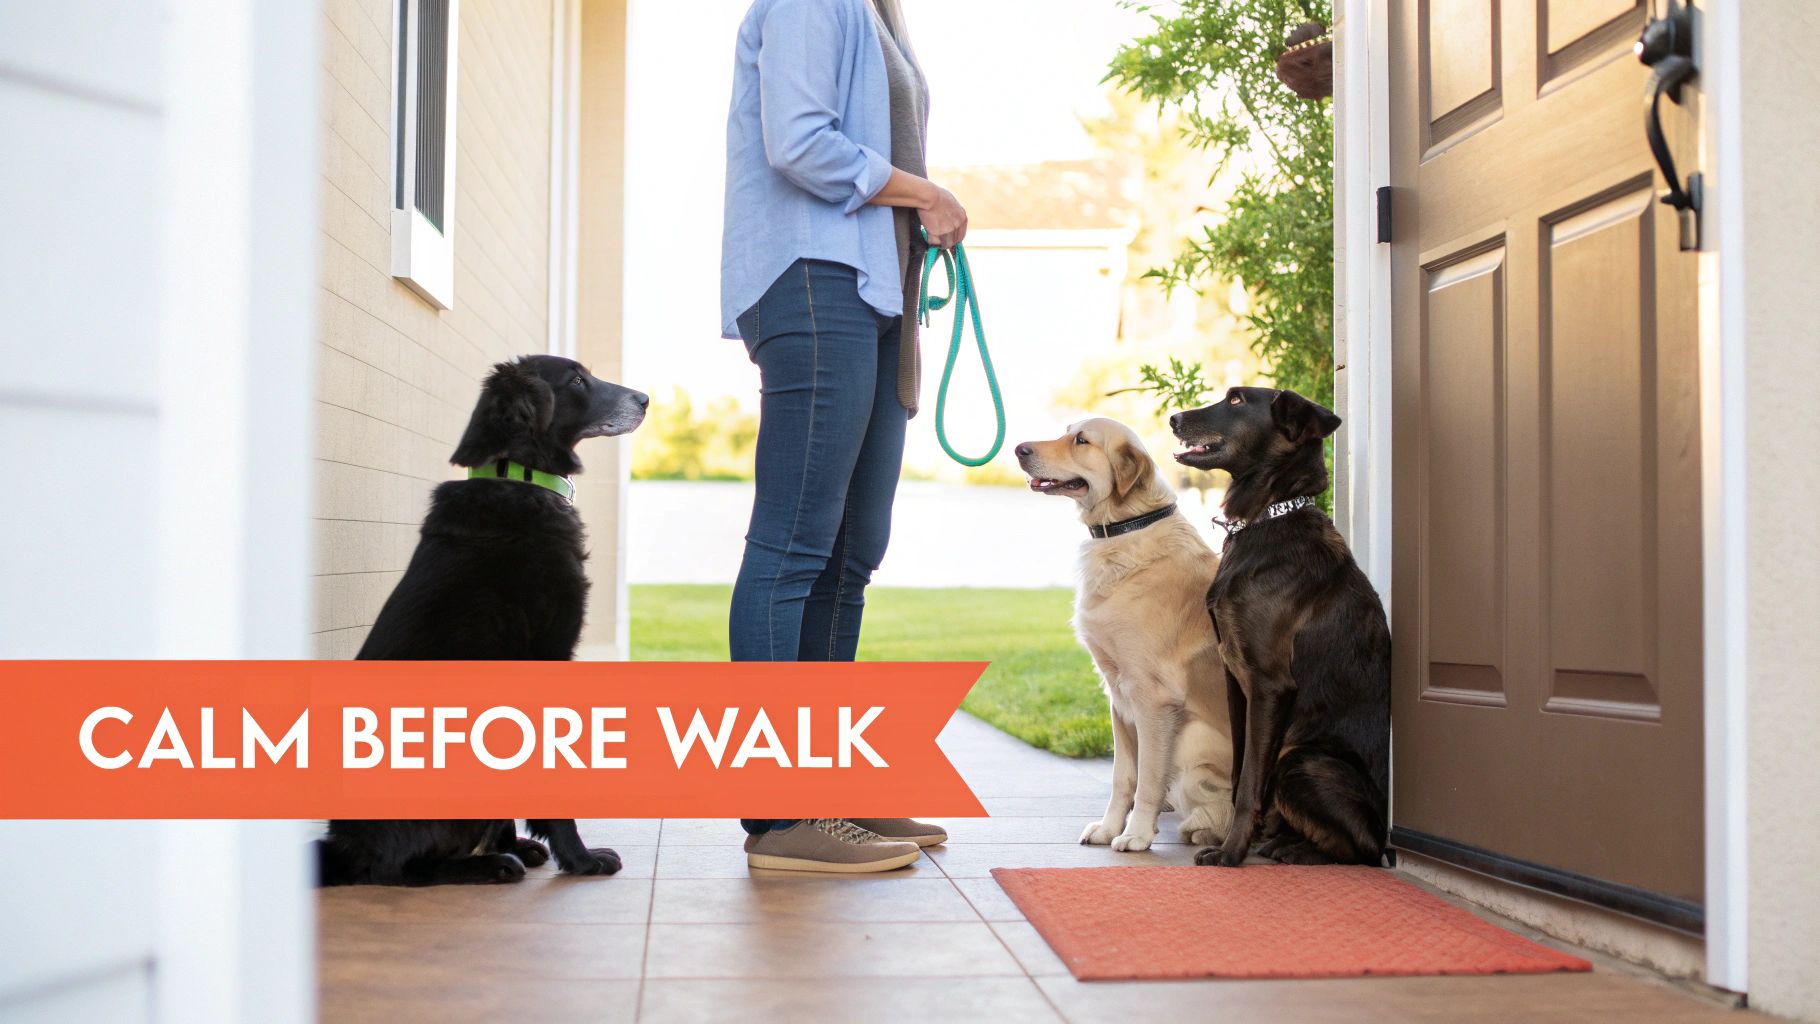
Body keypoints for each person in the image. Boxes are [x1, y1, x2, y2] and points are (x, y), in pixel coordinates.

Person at [720, 0, 964, 872]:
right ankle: (780, 817)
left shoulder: (875, 11)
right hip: (813, 280)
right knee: (793, 546)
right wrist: (925, 193)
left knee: (852, 549)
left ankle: (825, 786)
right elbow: (798, 140)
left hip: (874, 289)